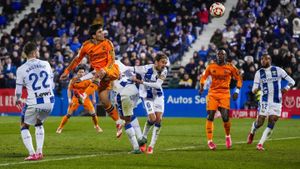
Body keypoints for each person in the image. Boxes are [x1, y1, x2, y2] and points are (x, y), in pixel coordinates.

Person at [60, 24, 123, 138]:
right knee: (104, 101)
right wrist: (67, 71)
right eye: (100, 32)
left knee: (97, 74)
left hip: (111, 69)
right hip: (100, 74)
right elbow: (77, 59)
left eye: (102, 31)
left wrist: (104, 70)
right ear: (94, 36)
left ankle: (83, 96)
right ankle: (118, 122)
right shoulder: (86, 45)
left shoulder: (108, 43)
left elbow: (112, 60)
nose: (103, 33)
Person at [15, 42, 55, 160]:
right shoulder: (46, 64)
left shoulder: (21, 69)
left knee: (24, 125)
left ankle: (32, 153)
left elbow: (18, 91)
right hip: (50, 101)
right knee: (38, 123)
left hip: (34, 101)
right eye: (37, 51)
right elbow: (52, 84)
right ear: (33, 52)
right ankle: (40, 151)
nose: (38, 52)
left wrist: (18, 99)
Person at [247, 54, 295, 150]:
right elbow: (254, 88)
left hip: (276, 101)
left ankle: (260, 144)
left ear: (269, 60)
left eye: (264, 59)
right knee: (260, 122)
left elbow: (292, 81)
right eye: (261, 59)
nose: (262, 61)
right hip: (264, 100)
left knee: (272, 120)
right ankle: (252, 131)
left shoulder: (278, 70)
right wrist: (255, 90)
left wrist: (287, 88)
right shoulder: (258, 73)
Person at [199, 49, 242, 150]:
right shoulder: (211, 66)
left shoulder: (231, 67)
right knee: (210, 116)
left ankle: (227, 136)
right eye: (218, 54)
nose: (220, 56)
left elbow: (239, 78)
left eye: (222, 54)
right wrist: (201, 87)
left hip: (224, 94)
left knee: (225, 117)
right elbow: (203, 76)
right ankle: (210, 141)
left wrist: (237, 91)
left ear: (225, 56)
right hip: (213, 94)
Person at [129, 53, 169, 154]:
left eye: (165, 62)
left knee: (158, 120)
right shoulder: (146, 68)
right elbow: (132, 68)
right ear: (156, 62)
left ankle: (151, 146)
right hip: (147, 97)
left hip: (158, 96)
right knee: (152, 119)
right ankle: (143, 138)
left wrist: (141, 82)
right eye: (162, 62)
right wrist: (121, 67)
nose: (164, 64)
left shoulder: (164, 71)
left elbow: (157, 85)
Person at [56, 65, 102, 134]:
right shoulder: (73, 80)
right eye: (80, 72)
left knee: (93, 113)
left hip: (85, 98)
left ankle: (96, 126)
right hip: (76, 99)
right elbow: (69, 90)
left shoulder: (87, 80)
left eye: (82, 72)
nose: (81, 73)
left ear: (84, 73)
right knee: (68, 114)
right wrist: (69, 99)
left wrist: (94, 98)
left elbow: (92, 89)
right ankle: (60, 127)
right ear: (77, 73)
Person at [113, 60, 146, 154]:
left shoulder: (113, 68)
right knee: (131, 116)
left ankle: (136, 147)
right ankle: (141, 139)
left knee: (125, 120)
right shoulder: (125, 71)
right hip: (134, 91)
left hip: (123, 95)